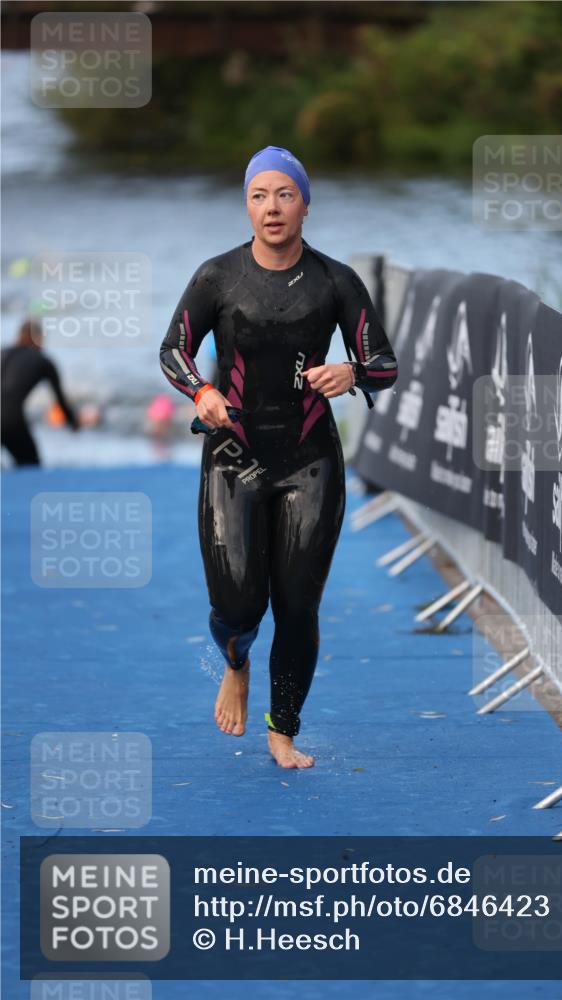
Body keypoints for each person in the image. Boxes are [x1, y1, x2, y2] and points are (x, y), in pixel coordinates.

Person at [159, 145, 398, 768]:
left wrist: (353, 373)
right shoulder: (218, 277)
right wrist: (202, 391)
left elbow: (385, 362)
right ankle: (236, 663)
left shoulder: (336, 281)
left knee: (298, 603)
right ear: (247, 204)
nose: (272, 207)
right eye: (260, 195)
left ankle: (283, 729)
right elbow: (173, 349)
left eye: (285, 194)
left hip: (310, 459)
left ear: (305, 204)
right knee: (239, 604)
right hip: (233, 457)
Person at [1, 319, 79, 466]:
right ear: (38, 338)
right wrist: (73, 423)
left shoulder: (2, 352)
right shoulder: (43, 361)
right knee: (30, 465)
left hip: (7, 416)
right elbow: (60, 400)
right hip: (9, 418)